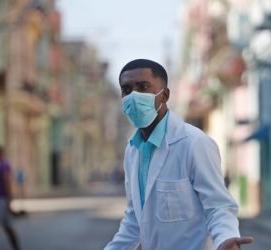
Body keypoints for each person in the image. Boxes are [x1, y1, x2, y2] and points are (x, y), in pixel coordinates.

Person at [105, 59, 253, 250]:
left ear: (164, 95)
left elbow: (218, 205)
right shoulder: (133, 150)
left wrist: (226, 238)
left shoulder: (194, 143)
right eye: (126, 90)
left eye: (143, 87)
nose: (133, 96)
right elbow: (135, 219)